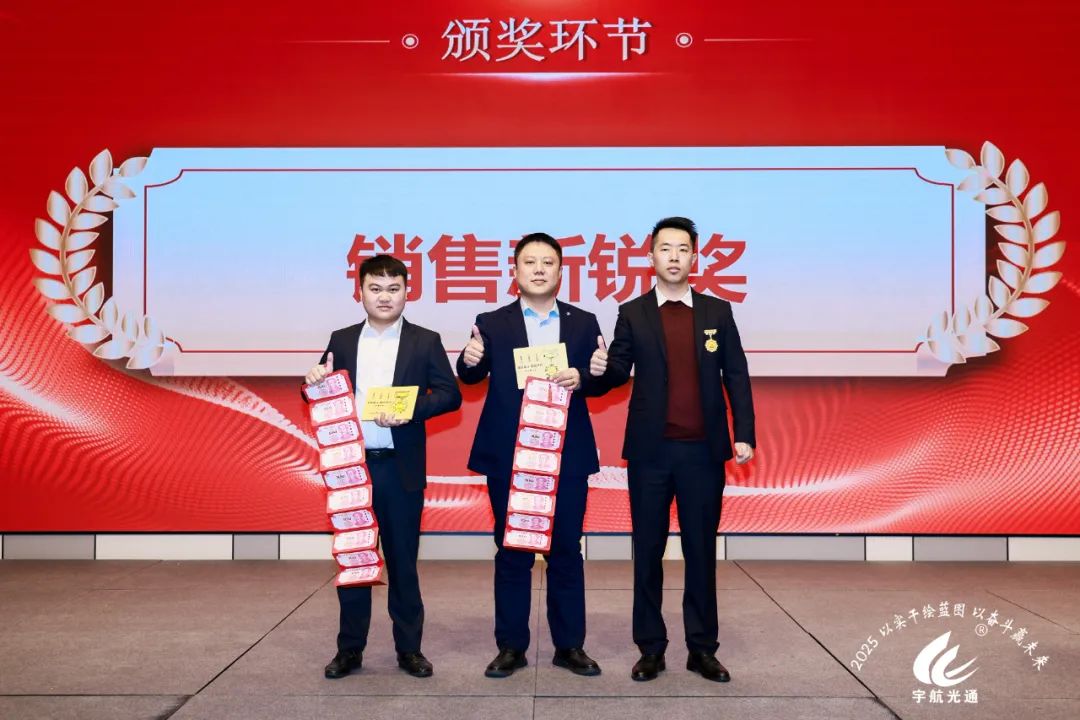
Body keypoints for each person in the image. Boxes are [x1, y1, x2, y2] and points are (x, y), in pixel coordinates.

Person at [590, 216, 756, 683]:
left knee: (701, 552)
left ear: (694, 257)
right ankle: (651, 648)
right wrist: (600, 367)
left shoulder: (717, 312)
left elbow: (736, 374)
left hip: (702, 452)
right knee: (647, 551)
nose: (675, 257)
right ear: (651, 257)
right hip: (651, 454)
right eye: (666, 249)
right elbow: (618, 371)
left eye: (683, 249)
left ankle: (702, 649)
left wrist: (744, 432)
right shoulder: (633, 312)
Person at [457, 232, 610, 678]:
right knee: (512, 550)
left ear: (561, 271)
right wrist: (469, 358)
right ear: (516, 270)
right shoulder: (491, 322)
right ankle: (511, 647)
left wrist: (590, 375)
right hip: (511, 455)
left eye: (548, 262)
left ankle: (570, 646)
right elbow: (470, 376)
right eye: (530, 262)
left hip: (565, 454)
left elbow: (600, 378)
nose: (539, 269)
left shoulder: (584, 322)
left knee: (565, 550)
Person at [304, 254, 462, 680]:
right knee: (355, 559)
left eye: (394, 288)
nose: (385, 297)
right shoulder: (341, 339)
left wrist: (410, 409)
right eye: (375, 289)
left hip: (400, 468)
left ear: (408, 292)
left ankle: (409, 650)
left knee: (403, 562)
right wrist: (312, 382)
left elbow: (450, 395)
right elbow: (316, 390)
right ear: (360, 292)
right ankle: (349, 650)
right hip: (352, 467)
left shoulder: (424, 341)